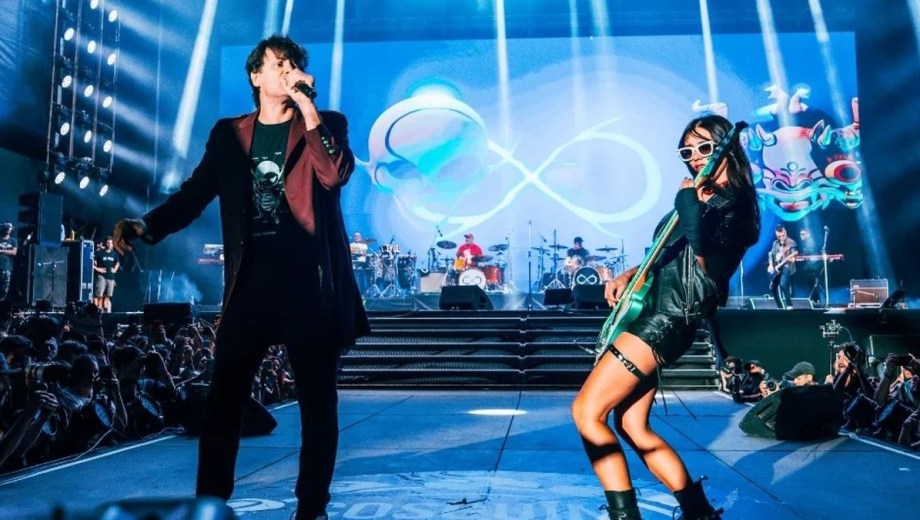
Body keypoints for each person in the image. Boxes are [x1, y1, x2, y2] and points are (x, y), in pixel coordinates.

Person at [111, 34, 369, 520]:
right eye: (278, 64)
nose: (288, 71)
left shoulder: (326, 123)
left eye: (294, 64)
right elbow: (194, 194)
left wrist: (307, 106)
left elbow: (333, 175)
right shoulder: (230, 134)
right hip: (250, 284)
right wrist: (146, 224)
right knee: (224, 401)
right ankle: (211, 502)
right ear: (255, 75)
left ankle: (312, 507)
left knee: (318, 405)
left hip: (308, 287)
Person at [572, 114, 760, 520]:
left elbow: (707, 259)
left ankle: (625, 516)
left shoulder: (735, 204)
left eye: (704, 147)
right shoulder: (704, 195)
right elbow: (669, 252)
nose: (694, 157)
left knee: (587, 412)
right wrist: (629, 274)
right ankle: (698, 512)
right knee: (633, 426)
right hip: (656, 312)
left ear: (727, 148)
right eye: (686, 151)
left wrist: (689, 202)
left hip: (666, 319)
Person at [767, 225, 797, 309]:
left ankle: (789, 305)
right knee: (772, 287)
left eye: (782, 236)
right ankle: (779, 306)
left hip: (787, 266)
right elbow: (770, 254)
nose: (781, 238)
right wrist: (770, 264)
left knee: (783, 284)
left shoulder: (791, 242)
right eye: (779, 236)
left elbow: (794, 254)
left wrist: (791, 258)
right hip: (777, 267)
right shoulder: (775, 243)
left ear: (785, 232)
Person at [93, 237, 120, 312]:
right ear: (105, 244)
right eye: (108, 243)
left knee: (108, 296)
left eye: (111, 243)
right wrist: (98, 269)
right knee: (99, 295)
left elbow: (117, 262)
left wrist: (115, 269)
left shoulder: (114, 254)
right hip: (102, 276)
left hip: (111, 277)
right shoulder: (99, 253)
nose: (110, 244)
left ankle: (105, 312)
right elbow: (92, 263)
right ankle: (98, 310)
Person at [797, 228, 821, 303]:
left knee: (814, 284)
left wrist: (801, 257)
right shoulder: (804, 243)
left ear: (808, 234)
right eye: (801, 234)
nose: (801, 236)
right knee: (810, 284)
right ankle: (814, 299)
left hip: (813, 266)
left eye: (803, 234)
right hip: (808, 267)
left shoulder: (811, 242)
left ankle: (816, 299)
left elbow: (810, 253)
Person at [0, 222, 17, 302]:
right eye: (7, 227)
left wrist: (2, 251)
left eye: (10, 227)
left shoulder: (13, 240)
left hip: (6, 267)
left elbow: (14, 252)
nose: (8, 229)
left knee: (4, 288)